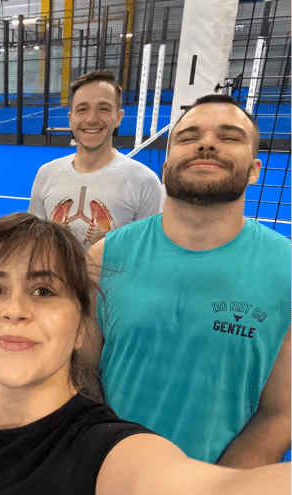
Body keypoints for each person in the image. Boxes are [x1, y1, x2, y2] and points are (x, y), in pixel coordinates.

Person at [0, 213, 291, 495]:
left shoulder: (106, 453)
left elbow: (205, 493)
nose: (15, 309)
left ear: (80, 328)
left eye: (44, 290)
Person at [87, 94, 291, 467]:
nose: (207, 143)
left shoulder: (287, 269)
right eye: (189, 136)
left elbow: (280, 413)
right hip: (104, 473)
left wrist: (211, 490)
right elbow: (81, 377)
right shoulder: (103, 258)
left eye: (229, 136)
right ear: (166, 168)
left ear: (254, 170)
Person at [29, 70, 163, 250]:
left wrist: (117, 246)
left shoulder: (145, 182)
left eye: (103, 109)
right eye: (82, 109)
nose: (91, 119)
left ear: (118, 117)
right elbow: (35, 244)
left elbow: (149, 252)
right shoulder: (46, 174)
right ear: (71, 119)